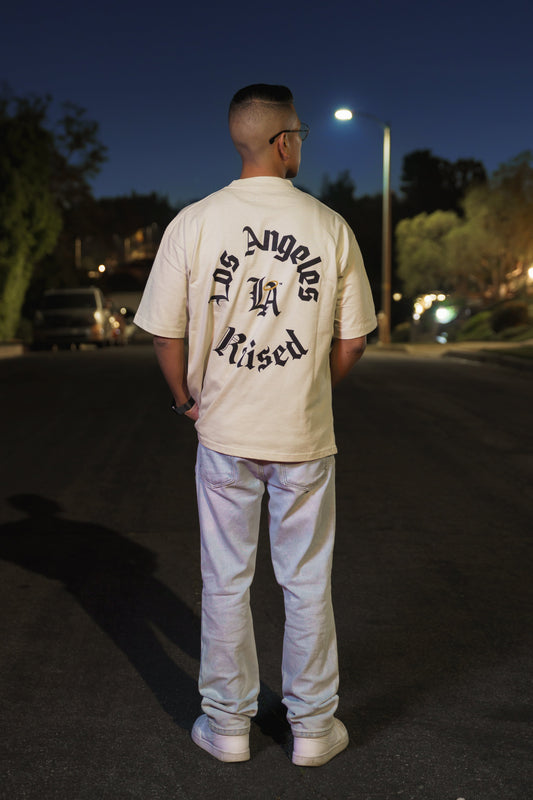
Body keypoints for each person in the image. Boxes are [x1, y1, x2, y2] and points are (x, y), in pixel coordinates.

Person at [134, 84, 377, 766]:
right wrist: (309, 389)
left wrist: (186, 401)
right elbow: (352, 340)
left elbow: (164, 333)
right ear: (282, 141)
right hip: (301, 437)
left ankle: (228, 726)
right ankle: (312, 729)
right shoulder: (328, 226)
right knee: (305, 582)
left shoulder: (194, 222)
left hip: (225, 436)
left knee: (225, 580)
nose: (300, 141)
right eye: (298, 132)